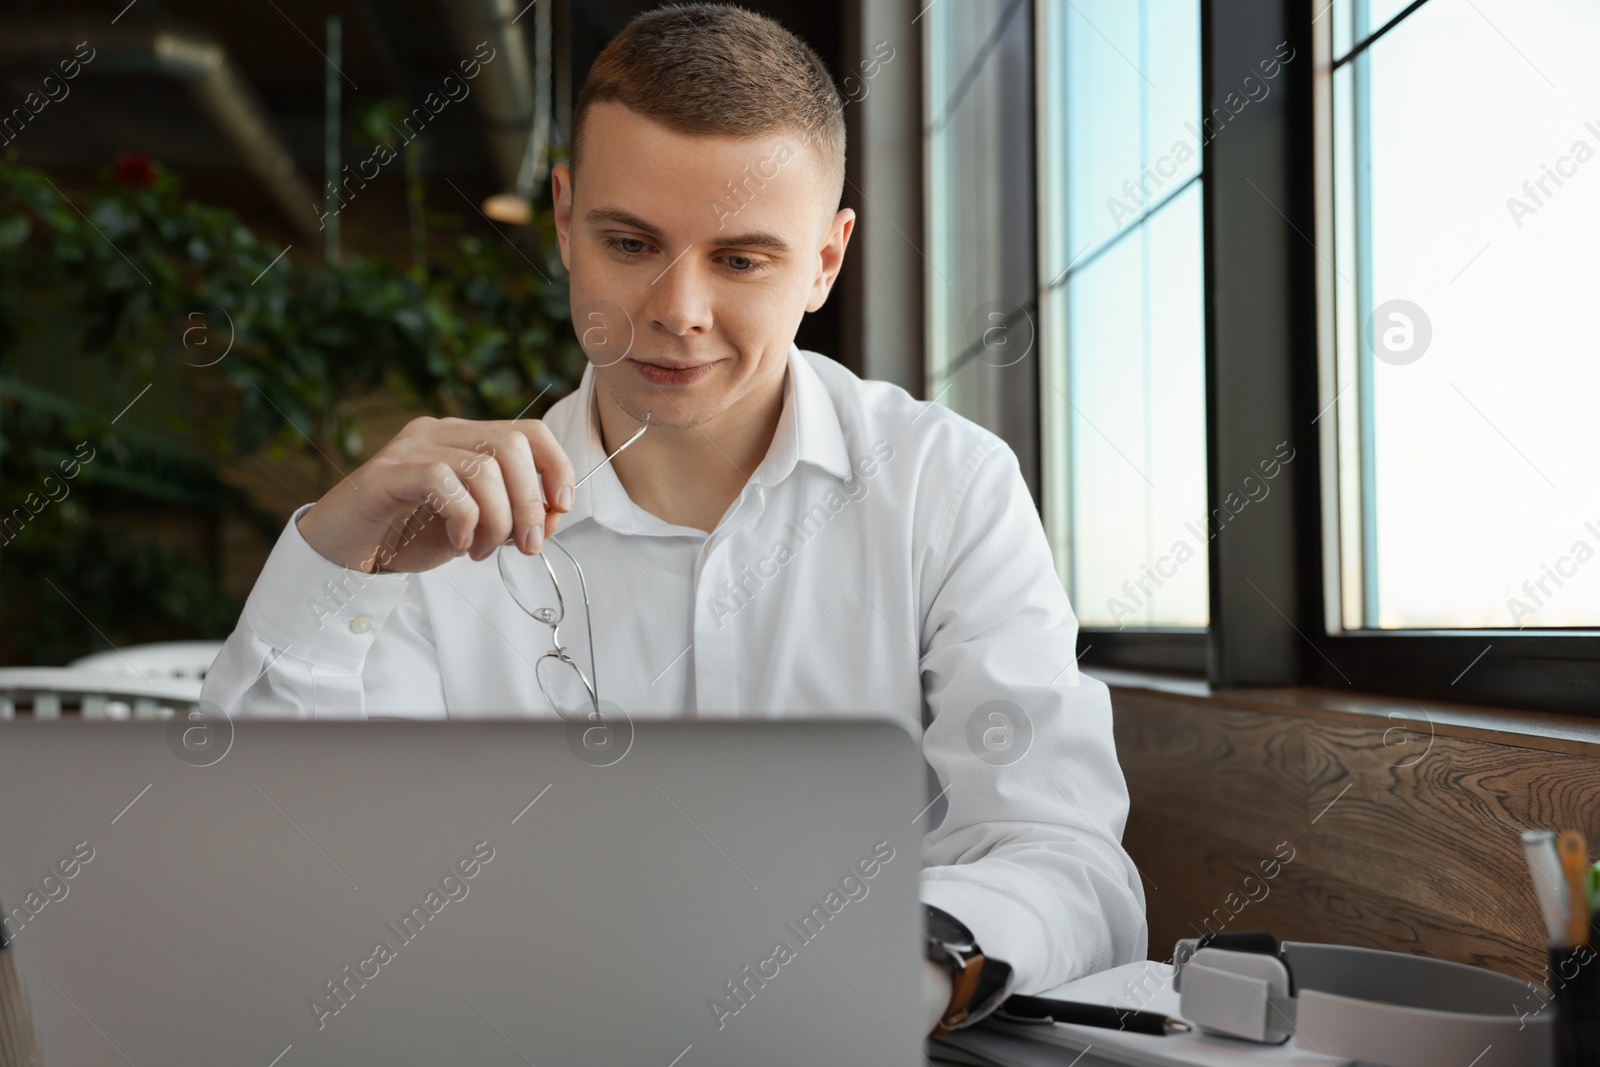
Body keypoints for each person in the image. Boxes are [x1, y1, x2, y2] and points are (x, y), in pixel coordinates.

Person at [200, 1, 1146, 1038]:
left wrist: (892, 973)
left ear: (825, 262)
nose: (677, 307)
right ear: (564, 219)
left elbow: (1067, 859)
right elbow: (268, 871)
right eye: (631, 240)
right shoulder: (437, 526)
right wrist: (336, 558)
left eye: (741, 259)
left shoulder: (945, 485)